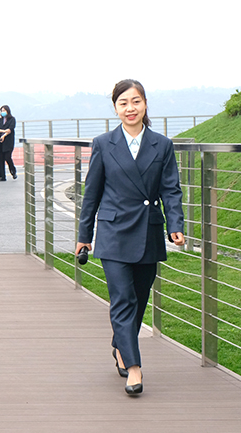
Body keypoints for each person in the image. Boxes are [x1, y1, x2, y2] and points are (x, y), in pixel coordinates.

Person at [76, 79, 185, 396]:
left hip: (148, 230)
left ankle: (120, 344)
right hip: (113, 233)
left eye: (135, 101)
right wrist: (85, 235)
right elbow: (92, 193)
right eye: (123, 103)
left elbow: (171, 190)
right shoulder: (103, 143)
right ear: (115, 108)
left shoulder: (162, 145)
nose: (130, 108)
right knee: (123, 299)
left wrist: (175, 224)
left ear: (145, 104)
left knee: (138, 299)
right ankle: (133, 367)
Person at [0, 105, 17, 181]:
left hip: (8, 141)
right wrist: (3, 131)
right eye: (1, 111)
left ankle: (13, 170)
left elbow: (10, 129)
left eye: (4, 110)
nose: (2, 112)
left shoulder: (12, 119)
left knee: (7, 157)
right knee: (1, 158)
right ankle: (2, 176)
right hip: (0, 141)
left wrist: (4, 135)